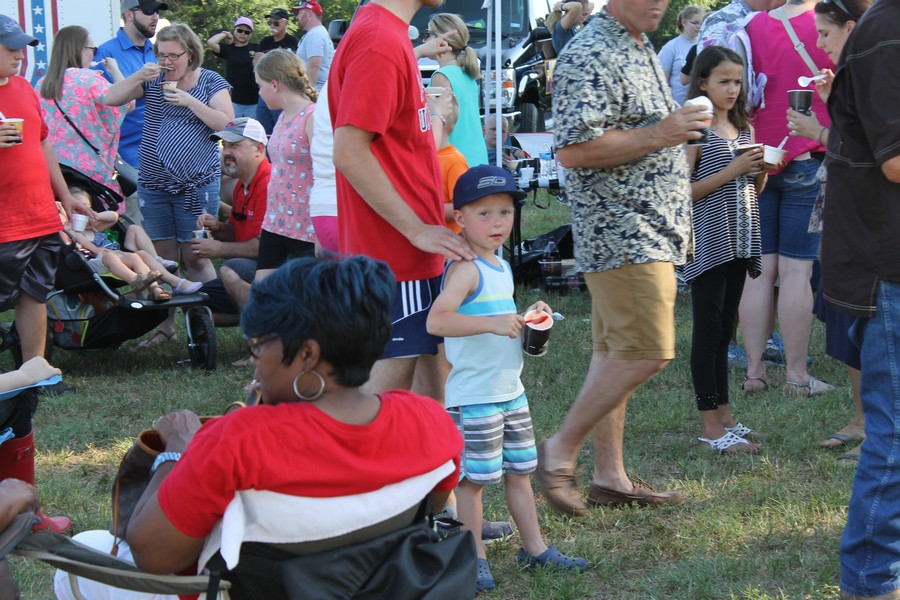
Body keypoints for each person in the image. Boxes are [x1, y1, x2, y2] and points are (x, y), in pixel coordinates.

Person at [54, 256, 464, 599]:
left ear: (307, 355)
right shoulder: (428, 421)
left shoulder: (236, 442)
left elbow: (152, 556)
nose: (254, 359)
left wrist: (177, 451)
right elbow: (433, 502)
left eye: (258, 345)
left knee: (80, 554)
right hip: (374, 585)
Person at [536, 0, 710, 516]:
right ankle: (559, 448)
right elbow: (572, 149)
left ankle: (610, 477)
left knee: (613, 354)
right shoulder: (590, 50)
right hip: (622, 229)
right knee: (645, 351)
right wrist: (664, 133)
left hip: (648, 226)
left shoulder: (638, 44)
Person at [427, 165, 587, 591]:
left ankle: (535, 549)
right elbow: (437, 321)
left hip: (509, 393)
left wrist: (530, 320)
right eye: (484, 214)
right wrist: (493, 324)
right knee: (474, 483)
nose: (497, 222)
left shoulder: (500, 266)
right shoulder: (465, 269)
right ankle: (473, 557)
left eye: (504, 212)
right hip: (474, 397)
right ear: (459, 218)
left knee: (520, 472)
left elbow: (502, 319)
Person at [329, 0, 476, 395]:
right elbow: (349, 152)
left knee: (428, 381)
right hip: (393, 254)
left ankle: (438, 457)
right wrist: (414, 229)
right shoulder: (380, 41)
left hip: (406, 253)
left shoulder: (387, 34)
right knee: (376, 403)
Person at [820, 3, 900, 598]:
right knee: (895, 439)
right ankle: (871, 585)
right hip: (889, 268)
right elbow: (894, 160)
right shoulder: (888, 31)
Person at [786, 0, 870, 461]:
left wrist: (815, 132)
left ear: (852, 27)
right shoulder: (854, 76)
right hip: (839, 210)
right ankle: (862, 420)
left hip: (862, 219)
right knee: (844, 316)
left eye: (824, 33)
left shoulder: (878, 72)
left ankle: (876, 427)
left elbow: (871, 150)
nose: (817, 43)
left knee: (863, 317)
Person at [739, 0, 835, 396]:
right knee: (797, 272)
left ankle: (755, 372)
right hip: (806, 152)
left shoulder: (752, 26)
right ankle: (796, 375)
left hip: (760, 157)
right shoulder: (826, 23)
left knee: (758, 270)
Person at [683, 47, 766, 453]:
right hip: (708, 241)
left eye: (738, 81)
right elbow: (680, 192)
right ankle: (709, 426)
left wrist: (759, 172)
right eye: (724, 81)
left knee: (725, 331)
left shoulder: (743, 127)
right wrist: (732, 169)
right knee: (708, 331)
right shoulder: (696, 128)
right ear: (703, 83)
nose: (733, 89)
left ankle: (726, 415)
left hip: (741, 237)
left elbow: (750, 188)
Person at [105, 23, 232, 284]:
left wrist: (190, 101)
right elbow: (111, 98)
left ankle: (205, 315)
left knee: (197, 254)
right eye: (161, 55)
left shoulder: (210, 81)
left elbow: (227, 124)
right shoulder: (154, 80)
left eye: (174, 55)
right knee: (164, 257)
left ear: (191, 54)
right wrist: (139, 75)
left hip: (196, 185)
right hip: (154, 184)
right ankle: (168, 325)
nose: (167, 61)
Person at [0, 15, 90, 367]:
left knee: (34, 294)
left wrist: (64, 194)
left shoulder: (24, 88)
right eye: (10, 47)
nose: (20, 54)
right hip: (5, 220)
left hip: (39, 214)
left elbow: (43, 144)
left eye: (22, 47)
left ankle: (35, 371)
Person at [96, 0, 170, 225]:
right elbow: (105, 107)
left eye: (157, 11)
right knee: (138, 230)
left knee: (165, 229)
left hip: (164, 153)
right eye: (149, 11)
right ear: (129, 14)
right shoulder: (107, 53)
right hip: (129, 158)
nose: (155, 16)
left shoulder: (157, 51)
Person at [37, 26, 130, 204]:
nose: (93, 55)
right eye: (92, 50)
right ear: (79, 49)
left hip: (54, 172)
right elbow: (127, 102)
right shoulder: (90, 79)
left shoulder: (41, 84)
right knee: (99, 226)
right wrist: (115, 70)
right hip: (89, 173)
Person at [192, 117, 271, 325]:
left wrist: (218, 249)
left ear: (259, 149)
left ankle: (262, 335)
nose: (226, 152)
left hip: (277, 269)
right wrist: (218, 228)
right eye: (224, 145)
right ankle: (265, 318)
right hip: (256, 267)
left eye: (235, 145)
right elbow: (238, 233)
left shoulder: (269, 183)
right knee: (195, 302)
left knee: (231, 270)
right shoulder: (242, 185)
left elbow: (264, 247)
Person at [63, 189, 202, 301]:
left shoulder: (95, 227)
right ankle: (136, 280)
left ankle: (167, 285)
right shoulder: (75, 232)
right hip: (95, 261)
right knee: (108, 255)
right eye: (77, 209)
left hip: (117, 257)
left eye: (86, 208)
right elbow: (94, 249)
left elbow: (114, 217)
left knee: (139, 256)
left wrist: (97, 217)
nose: (83, 212)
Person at [254, 50, 317, 279]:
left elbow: (327, 173)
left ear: (274, 84)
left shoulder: (313, 116)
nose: (259, 93)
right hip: (275, 220)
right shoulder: (282, 116)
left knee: (303, 300)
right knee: (263, 292)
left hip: (306, 227)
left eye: (260, 86)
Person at [425, 13, 488, 167]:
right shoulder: (468, 75)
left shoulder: (441, 76)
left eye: (428, 34)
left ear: (441, 40)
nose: (423, 40)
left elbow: (441, 123)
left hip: (456, 161)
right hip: (477, 158)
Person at [253, 8, 299, 135]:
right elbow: (256, 63)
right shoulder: (265, 41)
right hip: (265, 90)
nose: (272, 26)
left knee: (281, 128)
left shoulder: (293, 41)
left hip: (283, 91)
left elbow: (293, 67)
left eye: (276, 23)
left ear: (285, 23)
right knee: (263, 129)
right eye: (270, 23)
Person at [207, 17, 261, 119]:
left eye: (247, 32)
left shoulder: (257, 48)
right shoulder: (228, 49)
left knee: (252, 133)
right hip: (233, 101)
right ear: (234, 30)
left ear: (251, 34)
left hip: (254, 101)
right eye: (240, 30)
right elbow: (211, 42)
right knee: (231, 131)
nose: (243, 34)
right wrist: (225, 34)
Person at [657, 4, 704, 105]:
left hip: (698, 105)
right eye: (695, 23)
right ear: (684, 22)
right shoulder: (670, 48)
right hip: (677, 106)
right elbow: (661, 83)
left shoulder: (703, 45)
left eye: (701, 23)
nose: (699, 27)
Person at [435, 91, 467, 234]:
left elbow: (462, 206)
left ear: (442, 122)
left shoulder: (454, 161)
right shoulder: (419, 157)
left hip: (449, 244)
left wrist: (422, 210)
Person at [292, 0, 334, 92]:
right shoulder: (316, 33)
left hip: (317, 92)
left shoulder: (315, 34)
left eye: (299, 12)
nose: (297, 16)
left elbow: (314, 66)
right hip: (320, 91)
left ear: (309, 14)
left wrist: (309, 93)